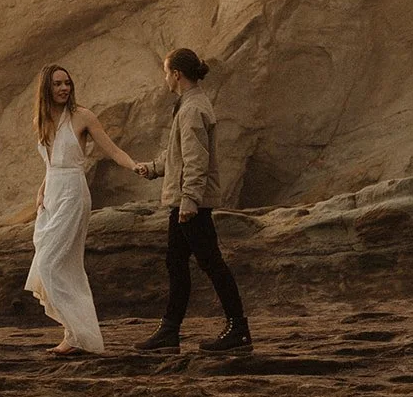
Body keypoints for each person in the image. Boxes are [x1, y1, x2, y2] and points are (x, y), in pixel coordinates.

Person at [133, 47, 252, 353]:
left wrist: (189, 200)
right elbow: (178, 156)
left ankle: (237, 328)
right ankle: (169, 331)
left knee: (211, 263)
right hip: (184, 201)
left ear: (176, 74)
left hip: (189, 204)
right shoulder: (189, 105)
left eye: (166, 72)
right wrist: (154, 168)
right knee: (176, 263)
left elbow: (195, 159)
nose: (165, 78)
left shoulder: (192, 109)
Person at [29, 63, 140, 355]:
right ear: (46, 89)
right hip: (51, 194)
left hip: (73, 193)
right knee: (55, 263)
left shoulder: (82, 117)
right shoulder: (42, 120)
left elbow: (112, 150)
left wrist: (135, 166)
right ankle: (74, 335)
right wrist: (41, 189)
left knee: (51, 264)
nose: (64, 88)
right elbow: (51, 162)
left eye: (67, 83)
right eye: (57, 84)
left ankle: (79, 334)